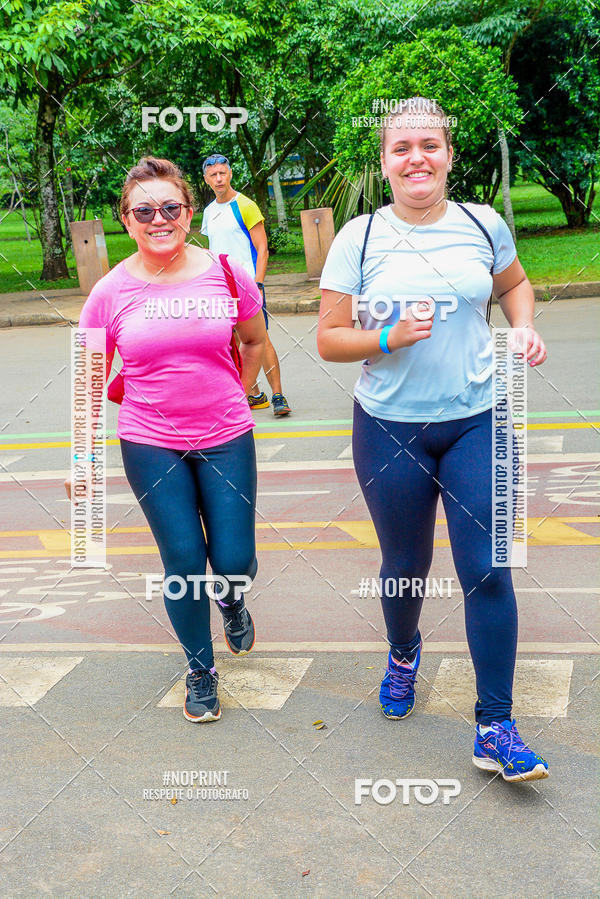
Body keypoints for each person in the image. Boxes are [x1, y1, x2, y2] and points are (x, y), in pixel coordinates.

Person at [317, 98, 549, 782]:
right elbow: (330, 338)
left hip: (480, 416)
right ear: (384, 162)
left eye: (429, 145)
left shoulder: (483, 223)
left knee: (488, 569)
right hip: (390, 426)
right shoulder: (359, 237)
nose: (416, 157)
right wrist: (386, 336)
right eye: (401, 147)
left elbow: (516, 286)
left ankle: (494, 726)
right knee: (404, 565)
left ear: (449, 154)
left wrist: (524, 325)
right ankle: (402, 650)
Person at [65, 156, 267, 723]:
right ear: (126, 220)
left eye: (170, 207)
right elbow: (87, 379)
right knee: (182, 560)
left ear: (189, 212)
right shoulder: (109, 292)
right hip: (151, 441)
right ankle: (200, 669)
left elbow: (253, 341)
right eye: (144, 210)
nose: (159, 219)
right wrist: (82, 460)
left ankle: (231, 596)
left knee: (232, 560)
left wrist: (237, 392)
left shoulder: (226, 272)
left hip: (228, 436)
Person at [201, 153, 292, 416]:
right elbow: (214, 250)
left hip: (248, 286)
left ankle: (278, 396)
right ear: (206, 180)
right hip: (220, 287)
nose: (219, 179)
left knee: (260, 339)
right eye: (213, 175)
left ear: (230, 174)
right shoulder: (209, 213)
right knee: (230, 341)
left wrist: (259, 284)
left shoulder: (246, 205)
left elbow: (262, 248)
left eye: (222, 173)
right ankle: (253, 394)